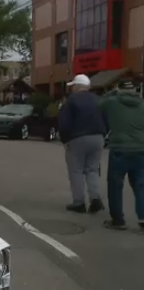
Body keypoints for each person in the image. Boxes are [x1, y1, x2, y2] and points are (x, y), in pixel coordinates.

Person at [58, 74, 108, 213]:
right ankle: (95, 198)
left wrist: (65, 139)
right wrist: (103, 134)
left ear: (76, 86)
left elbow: (64, 123)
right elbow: (106, 118)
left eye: (73, 86)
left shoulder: (71, 101)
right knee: (92, 169)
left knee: (76, 170)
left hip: (77, 138)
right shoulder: (99, 100)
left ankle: (79, 202)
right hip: (98, 137)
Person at [99, 80, 144, 231]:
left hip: (119, 149)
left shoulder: (112, 102)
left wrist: (112, 91)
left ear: (119, 90)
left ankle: (118, 220)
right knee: (140, 185)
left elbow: (99, 104)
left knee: (115, 185)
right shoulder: (142, 103)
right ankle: (143, 217)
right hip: (140, 149)